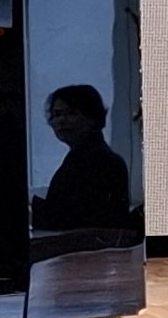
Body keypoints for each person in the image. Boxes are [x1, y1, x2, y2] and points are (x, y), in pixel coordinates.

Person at [31, 83, 133, 232]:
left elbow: (77, 219)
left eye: (72, 113)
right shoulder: (81, 156)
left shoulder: (98, 161)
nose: (61, 120)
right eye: (57, 114)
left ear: (93, 118)